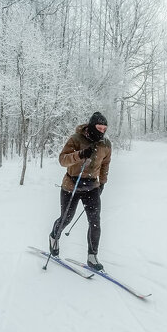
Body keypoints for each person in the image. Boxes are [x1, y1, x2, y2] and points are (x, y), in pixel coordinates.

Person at [49, 111, 111, 270]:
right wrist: (81, 154)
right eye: (99, 127)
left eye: (104, 129)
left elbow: (105, 164)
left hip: (92, 187)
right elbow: (63, 160)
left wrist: (102, 182)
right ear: (91, 126)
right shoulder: (76, 139)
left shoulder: (106, 144)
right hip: (72, 185)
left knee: (95, 221)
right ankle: (54, 237)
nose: (102, 131)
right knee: (66, 218)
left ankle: (92, 256)